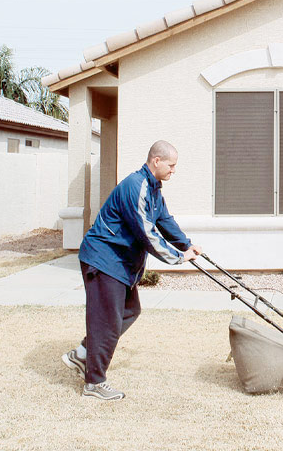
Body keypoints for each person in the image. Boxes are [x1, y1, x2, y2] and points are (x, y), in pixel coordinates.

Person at [62, 140, 201, 400]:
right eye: (171, 165)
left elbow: (164, 221)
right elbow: (146, 234)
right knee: (108, 319)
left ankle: (82, 355)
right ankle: (94, 383)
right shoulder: (136, 186)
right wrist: (178, 258)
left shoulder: (153, 188)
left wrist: (187, 244)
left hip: (119, 264)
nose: (173, 171)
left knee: (129, 311)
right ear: (156, 161)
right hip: (104, 260)